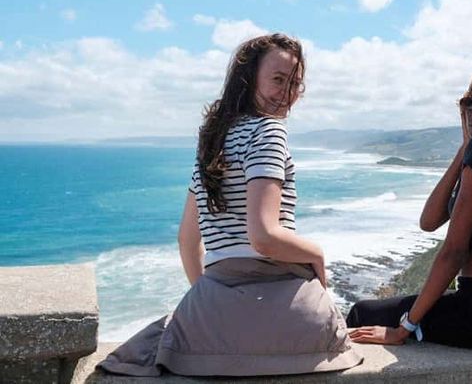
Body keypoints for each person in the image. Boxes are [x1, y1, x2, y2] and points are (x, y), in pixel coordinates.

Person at [98, 34, 362, 377]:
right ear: (248, 79)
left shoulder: (212, 143)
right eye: (278, 80)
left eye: (295, 83)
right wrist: (316, 254)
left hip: (211, 313)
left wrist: (210, 304)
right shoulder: (269, 131)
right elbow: (264, 237)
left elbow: (187, 240)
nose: (287, 93)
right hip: (290, 315)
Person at [346, 47, 472, 349]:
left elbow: (453, 252)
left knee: (361, 314)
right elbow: (429, 221)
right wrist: (465, 144)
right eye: (471, 103)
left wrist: (405, 327)